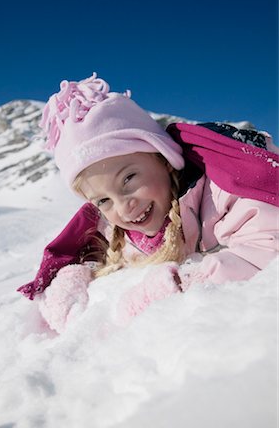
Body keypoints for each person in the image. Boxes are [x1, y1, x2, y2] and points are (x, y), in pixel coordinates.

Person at [18, 73, 279, 332]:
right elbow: (85, 252)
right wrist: (70, 281)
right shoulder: (119, 227)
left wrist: (180, 285)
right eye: (104, 200)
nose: (123, 206)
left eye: (129, 178)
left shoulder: (222, 191)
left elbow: (267, 248)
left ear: (165, 159)